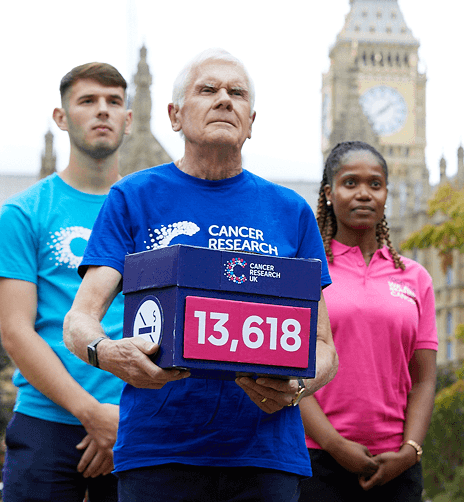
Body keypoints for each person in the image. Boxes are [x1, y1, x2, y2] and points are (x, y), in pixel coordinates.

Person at [62, 48, 337, 502]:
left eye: (237, 93)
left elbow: (324, 348)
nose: (225, 100)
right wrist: (107, 352)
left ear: (251, 120)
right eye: (208, 90)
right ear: (173, 115)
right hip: (159, 455)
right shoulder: (133, 197)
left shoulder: (291, 212)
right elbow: (78, 322)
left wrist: (297, 387)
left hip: (265, 458)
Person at [0, 62, 132, 502]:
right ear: (61, 117)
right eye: (88, 101)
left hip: (134, 422)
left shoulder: (149, 213)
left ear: (129, 117)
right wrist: (91, 413)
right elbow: (15, 332)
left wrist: (119, 418)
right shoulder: (25, 211)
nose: (102, 111)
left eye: (114, 102)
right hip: (47, 421)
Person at [298, 141, 437, 501]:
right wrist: (334, 444)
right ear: (329, 193)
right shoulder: (306, 272)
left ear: (387, 193)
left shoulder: (416, 277)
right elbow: (291, 373)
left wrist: (410, 450)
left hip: (397, 466)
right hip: (317, 460)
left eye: (375, 184)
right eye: (350, 183)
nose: (364, 193)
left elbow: (423, 378)